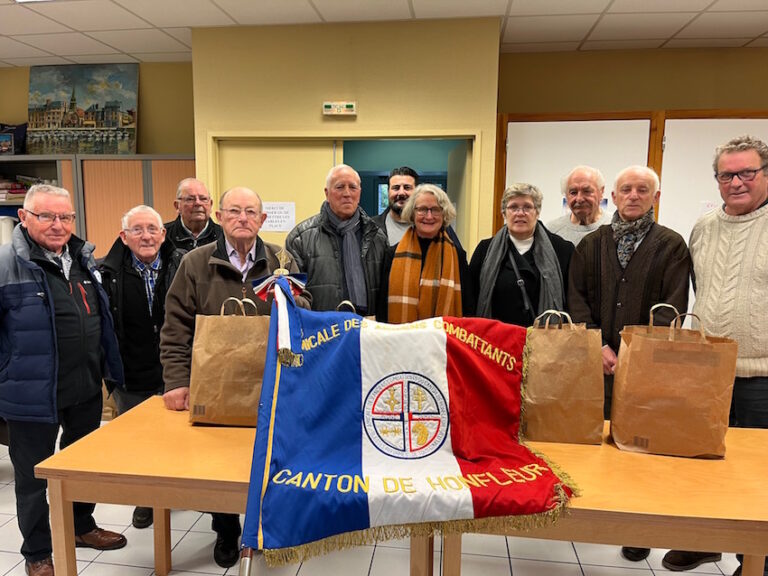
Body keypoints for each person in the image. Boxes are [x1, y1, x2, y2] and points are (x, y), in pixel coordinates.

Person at [160, 186, 310, 568]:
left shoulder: (283, 257)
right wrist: (177, 382)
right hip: (215, 383)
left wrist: (289, 296)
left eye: (250, 212)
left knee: (271, 460)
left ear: (261, 220)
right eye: (234, 211)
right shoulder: (195, 262)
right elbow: (175, 326)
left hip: (271, 381)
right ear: (221, 217)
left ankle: (264, 528)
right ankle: (226, 530)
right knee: (218, 461)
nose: (242, 218)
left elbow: (304, 314)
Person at [0, 184, 127, 576]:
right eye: (47, 216)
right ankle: (38, 552)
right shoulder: (6, 264)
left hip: (84, 387)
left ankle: (80, 527)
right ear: (24, 217)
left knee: (81, 468)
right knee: (34, 478)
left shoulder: (83, 259)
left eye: (65, 217)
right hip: (31, 393)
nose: (58, 225)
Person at [568, 165, 691, 564]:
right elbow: (577, 299)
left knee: (641, 451)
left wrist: (635, 355)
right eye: (626, 189)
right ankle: (593, 515)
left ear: (655, 197)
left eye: (643, 190)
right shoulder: (591, 245)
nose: (634, 195)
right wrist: (600, 344)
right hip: (596, 363)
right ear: (614, 197)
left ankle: (639, 530)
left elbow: (673, 305)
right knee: (597, 444)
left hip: (647, 369)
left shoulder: (672, 246)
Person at [662, 135, 768, 576]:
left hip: (761, 372)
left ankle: (755, 558)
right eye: (727, 174)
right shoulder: (703, 227)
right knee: (701, 464)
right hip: (704, 369)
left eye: (747, 172)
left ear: (765, 175)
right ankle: (703, 542)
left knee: (756, 475)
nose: (737, 182)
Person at [100, 204, 185, 530]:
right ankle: (146, 499)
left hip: (176, 372)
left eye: (152, 228)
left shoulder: (182, 265)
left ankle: (178, 491)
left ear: (163, 234)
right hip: (131, 374)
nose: (146, 236)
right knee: (141, 443)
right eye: (137, 229)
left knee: (180, 439)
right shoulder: (105, 272)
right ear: (124, 236)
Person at [286, 164, 387, 314]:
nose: (347, 193)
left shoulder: (377, 238)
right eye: (340, 187)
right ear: (327, 193)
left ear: (359, 193)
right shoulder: (300, 238)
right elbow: (294, 297)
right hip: (321, 332)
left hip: (367, 331)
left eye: (353, 187)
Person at [471, 183, 573, 326]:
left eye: (527, 207)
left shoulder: (562, 250)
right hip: (496, 342)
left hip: (545, 343)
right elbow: (472, 299)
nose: (520, 213)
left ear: (537, 212)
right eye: (513, 207)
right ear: (504, 213)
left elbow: (572, 300)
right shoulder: (485, 250)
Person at [377, 183, 474, 322]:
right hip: (400, 340)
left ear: (444, 213)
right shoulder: (392, 254)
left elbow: (468, 308)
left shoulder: (458, 255)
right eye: (422, 209)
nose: (429, 216)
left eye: (435, 209)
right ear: (412, 213)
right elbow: (382, 310)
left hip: (443, 340)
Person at [373, 166, 464, 249]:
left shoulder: (436, 225)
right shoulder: (372, 227)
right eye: (396, 188)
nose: (401, 193)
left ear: (416, 192)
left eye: (407, 187)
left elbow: (458, 258)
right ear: (388, 191)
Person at [547, 165, 612, 245]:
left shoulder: (616, 226)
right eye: (573, 192)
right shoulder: (552, 231)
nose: (579, 199)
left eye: (587, 191)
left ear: (601, 192)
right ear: (566, 196)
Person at [164, 177, 222, 251]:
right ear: (177, 206)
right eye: (190, 199)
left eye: (203, 199)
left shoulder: (224, 237)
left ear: (211, 205)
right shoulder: (163, 237)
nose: (198, 203)